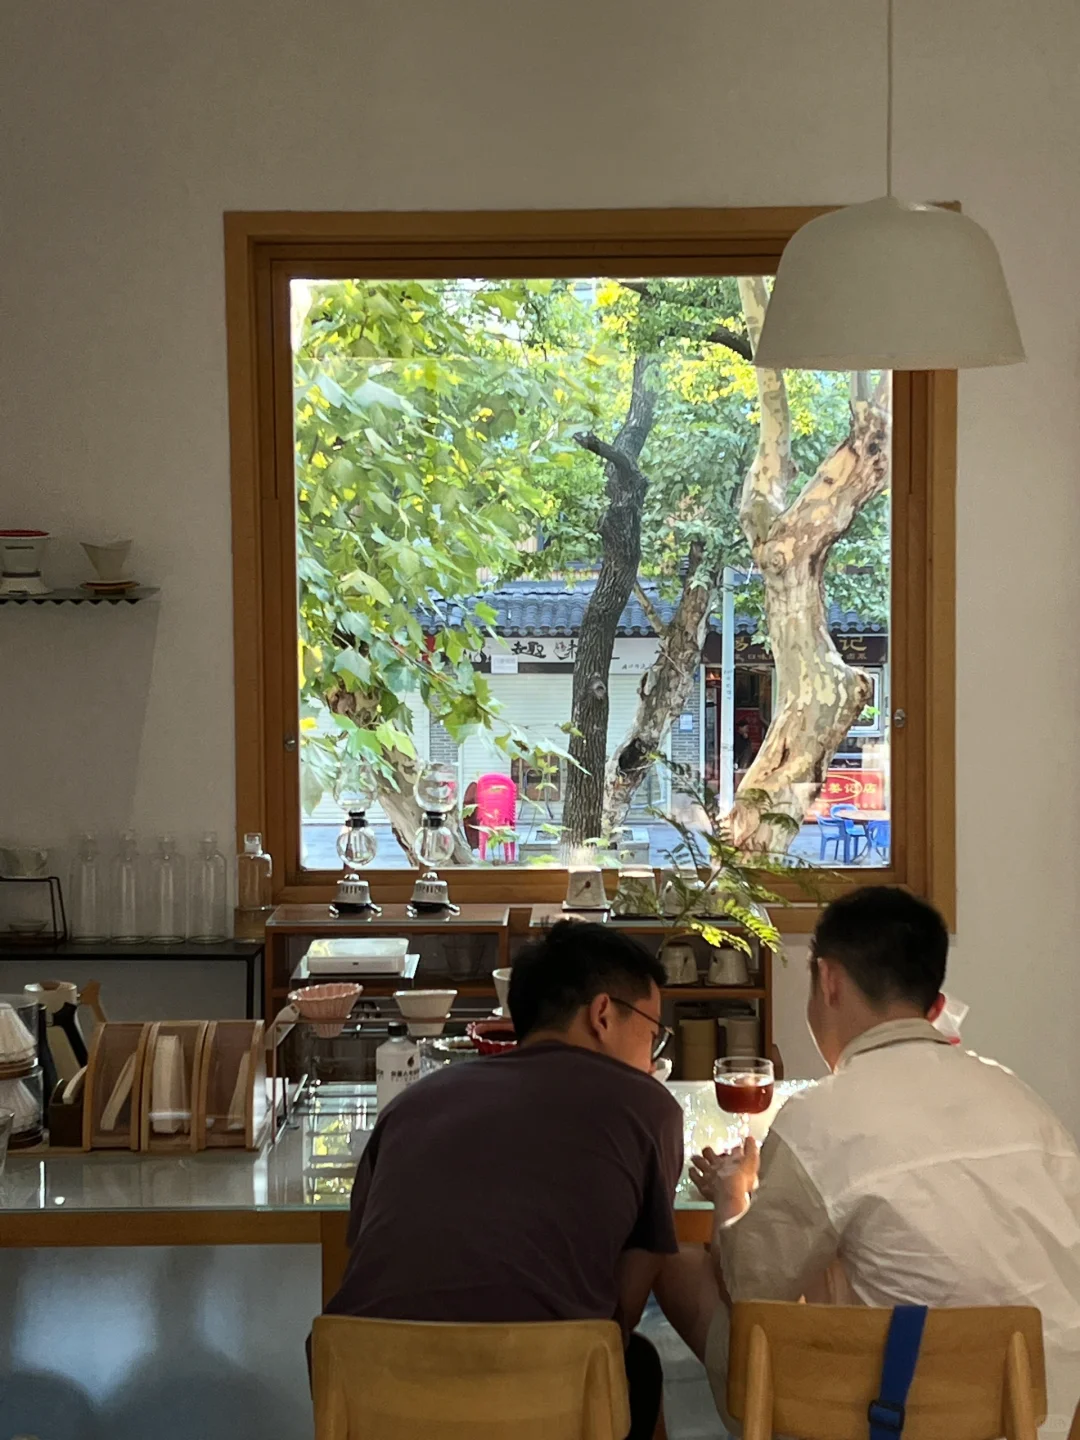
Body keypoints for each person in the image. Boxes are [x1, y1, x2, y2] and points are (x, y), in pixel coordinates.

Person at [656, 886, 1080, 1435]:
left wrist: (732, 1195)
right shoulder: (1021, 1099)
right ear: (934, 1002)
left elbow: (754, 1289)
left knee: (684, 1266)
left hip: (903, 1421)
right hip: (1056, 1415)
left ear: (828, 980)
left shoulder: (821, 1116)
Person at [324, 921, 683, 1440]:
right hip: (543, 1407)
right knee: (634, 1362)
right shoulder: (648, 1107)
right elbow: (623, 1310)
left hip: (369, 1396)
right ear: (602, 1014)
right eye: (652, 1034)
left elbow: (365, 1257)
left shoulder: (412, 1105)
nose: (651, 1057)